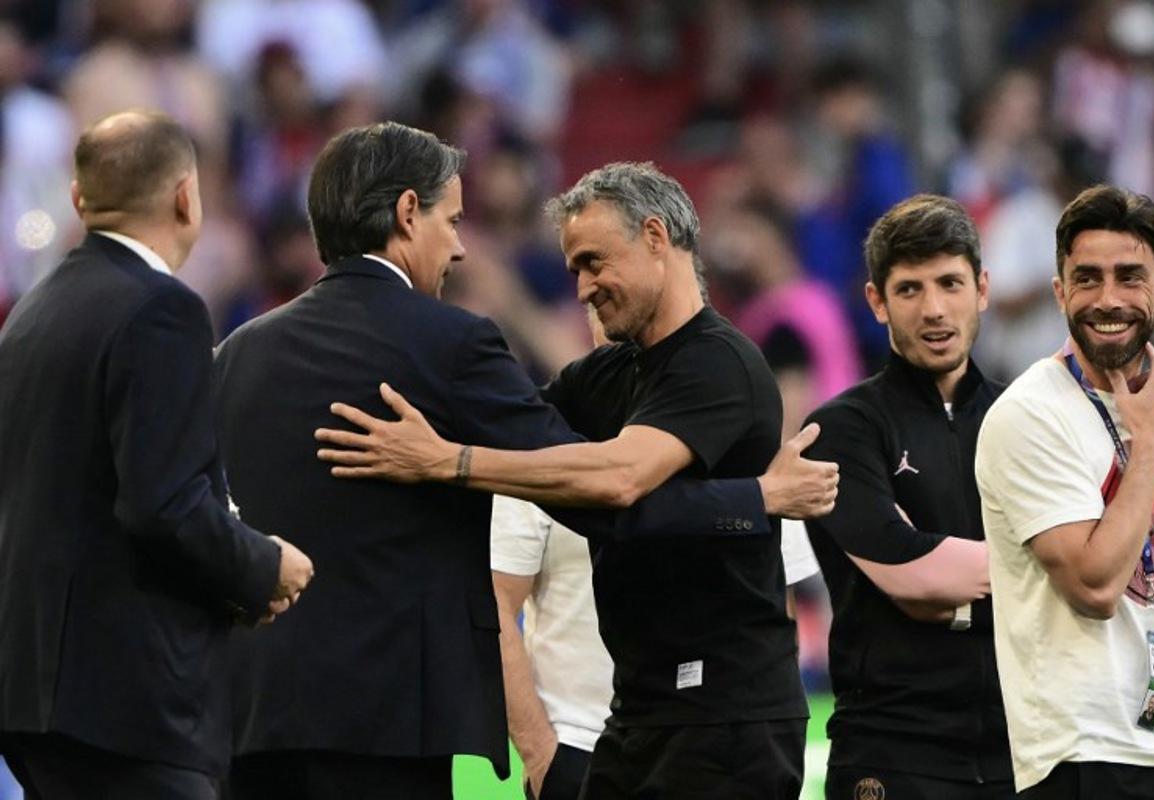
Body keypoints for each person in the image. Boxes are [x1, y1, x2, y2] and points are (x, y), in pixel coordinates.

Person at [217, 130, 835, 800]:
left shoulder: (235, 353)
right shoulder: (538, 364)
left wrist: (449, 461)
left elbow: (607, 480)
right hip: (557, 717)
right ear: (405, 215)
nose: (584, 288)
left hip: (723, 712)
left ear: (656, 237)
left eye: (594, 262)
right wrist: (756, 497)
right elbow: (577, 473)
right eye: (451, 222)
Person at [0, 109, 313, 800]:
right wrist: (261, 567)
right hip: (126, 699)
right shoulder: (161, 310)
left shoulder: (34, 309)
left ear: (80, 201)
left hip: (33, 692)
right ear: (184, 197)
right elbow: (163, 505)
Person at [976, 185, 1154, 798]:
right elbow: (1096, 588)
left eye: (1130, 277)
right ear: (1059, 292)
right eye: (1087, 278)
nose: (1108, 300)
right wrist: (1147, 445)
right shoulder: (1029, 415)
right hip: (1084, 756)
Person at [802, 194, 1014, 799]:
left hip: (1021, 750)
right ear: (877, 301)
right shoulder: (840, 429)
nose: (934, 309)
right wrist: (1050, 567)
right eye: (910, 289)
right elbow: (912, 572)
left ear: (982, 288)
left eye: (950, 283)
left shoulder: (1027, 418)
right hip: (892, 752)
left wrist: (953, 585)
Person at [492, 500, 820, 800]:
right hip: (580, 745)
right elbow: (498, 607)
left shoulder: (750, 449)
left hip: (723, 740)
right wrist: (542, 756)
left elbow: (777, 604)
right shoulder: (544, 451)